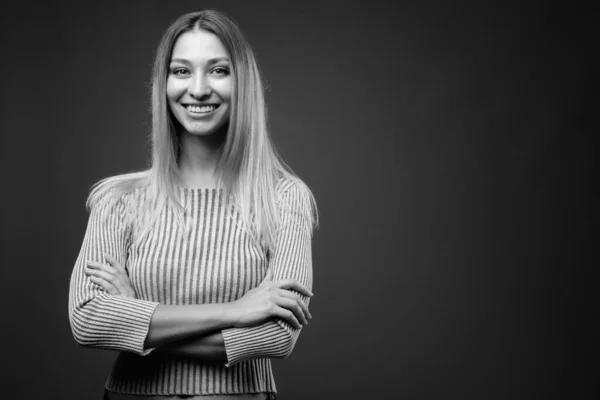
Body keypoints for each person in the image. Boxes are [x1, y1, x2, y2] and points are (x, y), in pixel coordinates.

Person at [68, 9, 317, 400]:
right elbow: (89, 320)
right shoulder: (118, 199)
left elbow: (276, 336)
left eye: (218, 70)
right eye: (182, 71)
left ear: (242, 82)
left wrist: (136, 314)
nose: (198, 89)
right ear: (163, 83)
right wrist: (234, 311)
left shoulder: (284, 199)